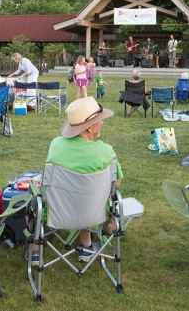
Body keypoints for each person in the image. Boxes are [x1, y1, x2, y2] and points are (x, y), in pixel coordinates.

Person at [28, 97, 123, 266]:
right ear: (88, 129)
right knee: (87, 196)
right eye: (99, 121)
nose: (102, 124)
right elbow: (116, 183)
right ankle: (86, 247)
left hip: (56, 211)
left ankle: (35, 250)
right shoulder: (106, 152)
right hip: (94, 212)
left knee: (35, 197)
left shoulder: (56, 144)